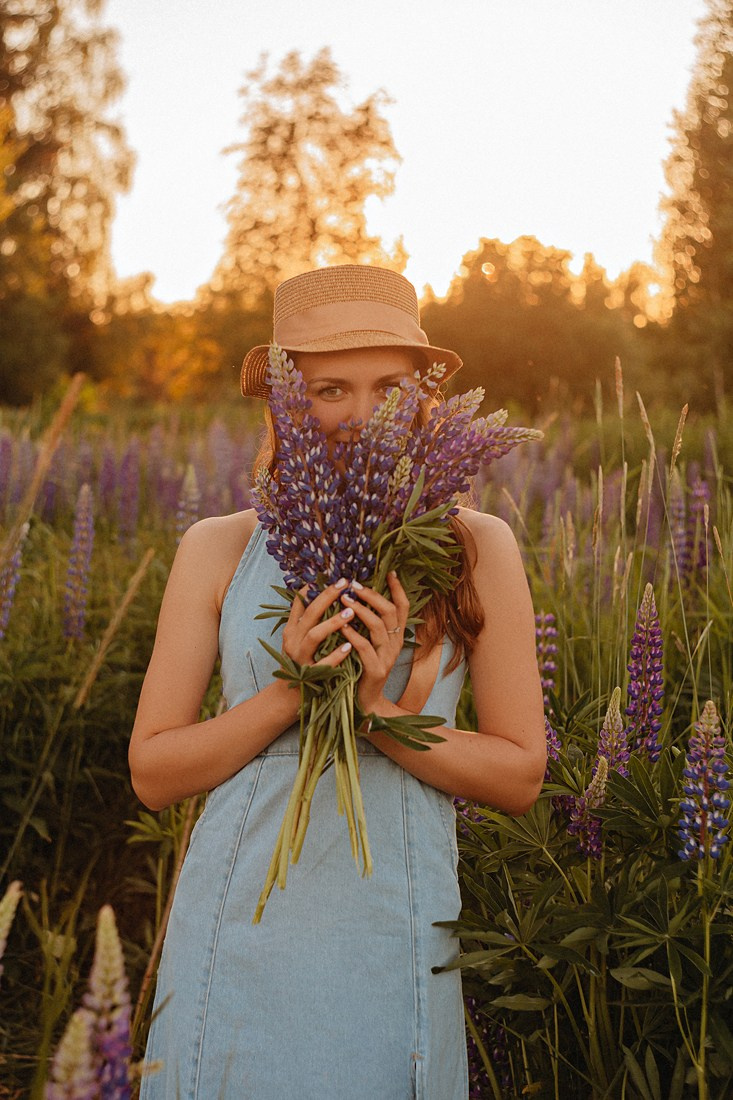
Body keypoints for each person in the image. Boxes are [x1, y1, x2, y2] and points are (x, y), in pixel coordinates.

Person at [130, 264, 547, 1100]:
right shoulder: (217, 547)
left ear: (421, 397)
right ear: (287, 406)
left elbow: (520, 775)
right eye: (329, 389)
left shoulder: (478, 546)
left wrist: (373, 711)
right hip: (241, 914)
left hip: (393, 912)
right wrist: (292, 689)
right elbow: (153, 771)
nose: (362, 416)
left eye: (389, 386)